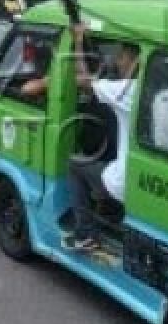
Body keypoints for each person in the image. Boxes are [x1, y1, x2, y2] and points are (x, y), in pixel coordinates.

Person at [20, 25, 138, 252]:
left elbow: (83, 81)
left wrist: (53, 78)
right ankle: (106, 209)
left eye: (122, 56)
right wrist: (80, 44)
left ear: (134, 62)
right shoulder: (144, 90)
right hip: (139, 174)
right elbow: (90, 80)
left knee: (75, 164)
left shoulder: (125, 90)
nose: (117, 61)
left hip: (125, 181)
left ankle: (85, 233)